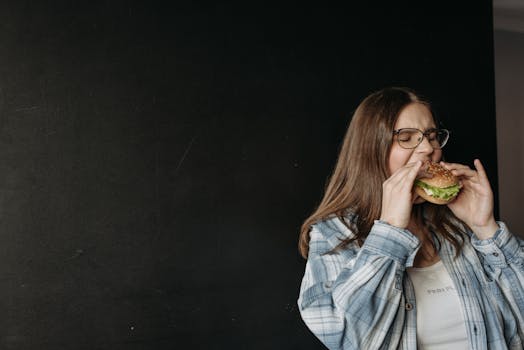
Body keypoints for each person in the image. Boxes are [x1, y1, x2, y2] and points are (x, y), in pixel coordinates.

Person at [297, 87, 524, 349]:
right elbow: (348, 338)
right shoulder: (334, 232)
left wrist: (486, 228)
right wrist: (390, 231)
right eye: (406, 137)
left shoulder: (459, 223)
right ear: (371, 150)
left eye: (431, 136)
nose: (428, 148)